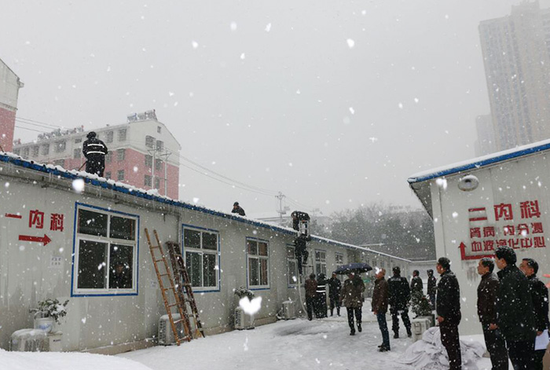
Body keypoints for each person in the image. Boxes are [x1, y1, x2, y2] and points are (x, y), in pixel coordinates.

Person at [495, 246, 536, 370]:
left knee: (521, 364)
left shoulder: (509, 279)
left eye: (496, 259)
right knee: (526, 364)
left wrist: (503, 326)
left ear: (503, 261)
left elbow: (510, 308)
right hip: (524, 330)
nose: (495, 262)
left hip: (517, 333)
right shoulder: (517, 275)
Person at [477, 257, 508, 370]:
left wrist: (495, 320)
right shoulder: (487, 279)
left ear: (487, 268)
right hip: (487, 321)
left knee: (497, 350)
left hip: (492, 323)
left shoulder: (492, 281)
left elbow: (496, 303)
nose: (478, 267)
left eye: (480, 265)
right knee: (493, 349)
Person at [520, 258, 549, 370]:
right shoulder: (524, 284)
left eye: (523, 266)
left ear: (531, 270)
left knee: (534, 360)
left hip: (537, 330)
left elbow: (541, 307)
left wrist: (540, 326)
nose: (520, 268)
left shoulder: (536, 285)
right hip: (529, 328)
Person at [436, 257, 462, 370]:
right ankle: (456, 364)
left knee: (449, 342)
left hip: (448, 317)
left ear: (442, 266)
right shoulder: (450, 277)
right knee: (453, 342)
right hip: (453, 315)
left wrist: (442, 314)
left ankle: (455, 366)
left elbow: (445, 299)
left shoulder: (446, 279)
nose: (436, 267)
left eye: (437, 265)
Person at [388, 266, 412, 338]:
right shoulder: (403, 280)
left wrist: (390, 300)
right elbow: (408, 291)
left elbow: (388, 292)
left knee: (394, 318)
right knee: (405, 317)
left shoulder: (390, 280)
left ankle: (396, 333)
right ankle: (408, 330)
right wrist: (407, 300)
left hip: (394, 302)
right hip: (402, 302)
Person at [340, 271, 365, 335]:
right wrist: (341, 298)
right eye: (349, 275)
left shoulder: (359, 281)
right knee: (350, 316)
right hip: (349, 301)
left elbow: (363, 289)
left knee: (358, 315)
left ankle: (359, 324)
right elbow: (343, 291)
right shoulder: (346, 282)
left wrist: (358, 285)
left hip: (357, 301)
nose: (350, 276)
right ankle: (352, 329)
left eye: (351, 274)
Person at [372, 268, 390, 352]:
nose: (376, 274)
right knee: (382, 326)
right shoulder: (379, 283)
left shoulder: (383, 283)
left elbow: (381, 297)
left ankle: (386, 344)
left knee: (383, 326)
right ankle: (385, 342)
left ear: (382, 274)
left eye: (378, 273)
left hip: (381, 308)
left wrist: (377, 307)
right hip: (380, 307)